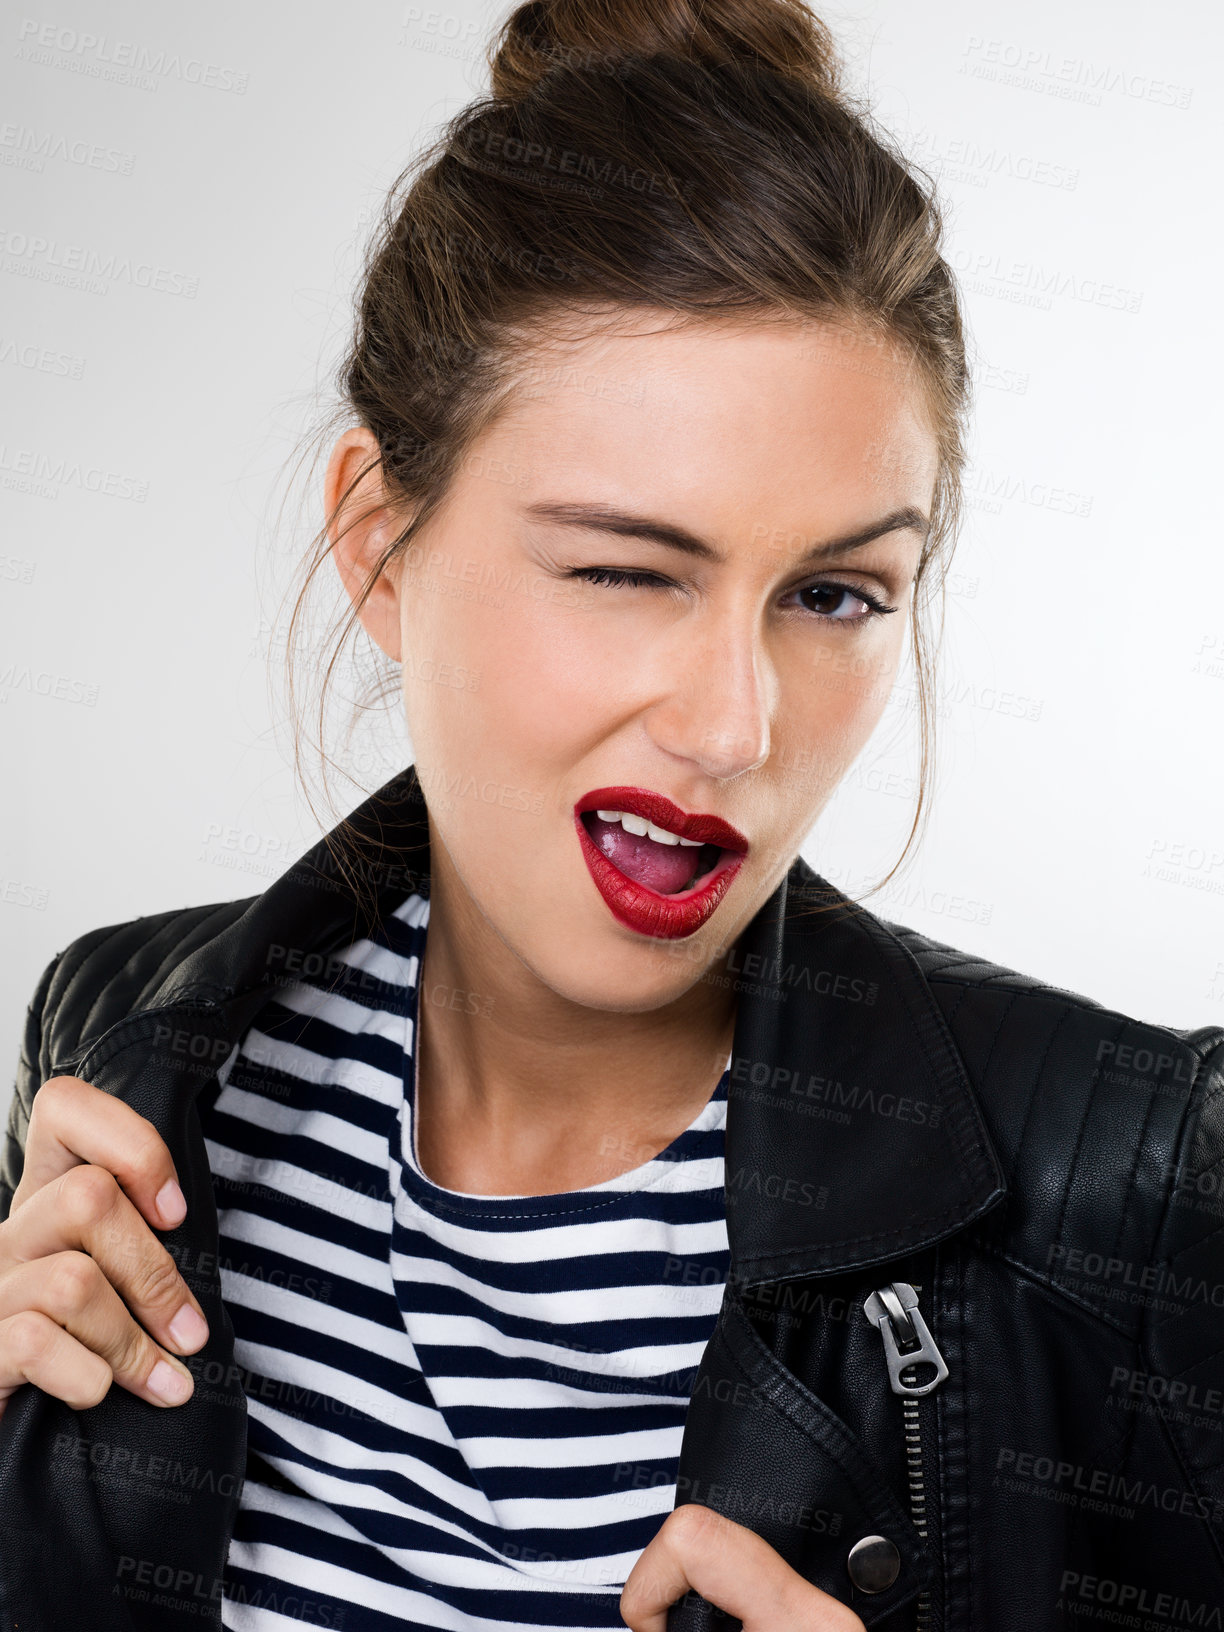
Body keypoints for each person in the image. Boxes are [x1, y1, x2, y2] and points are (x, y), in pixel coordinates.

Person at [2, 1, 1222, 1628]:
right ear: (378, 545)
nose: (736, 724)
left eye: (837, 595)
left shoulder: (1136, 1182)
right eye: (626, 571)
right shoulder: (122, 1058)